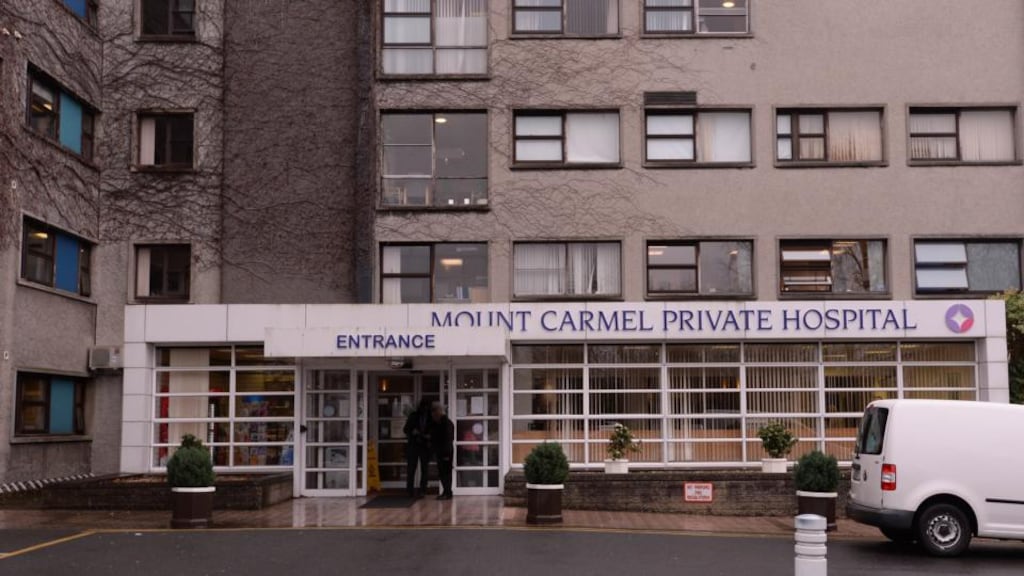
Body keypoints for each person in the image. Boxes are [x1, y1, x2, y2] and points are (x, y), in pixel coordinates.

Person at [402, 398, 432, 498]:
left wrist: (429, 436)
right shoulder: (414, 416)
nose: (425, 410)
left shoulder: (430, 418)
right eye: (423, 407)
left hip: (425, 446)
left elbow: (434, 431)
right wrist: (412, 432)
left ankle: (422, 490)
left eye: (426, 408)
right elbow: (405, 429)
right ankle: (410, 490)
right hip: (414, 445)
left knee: (425, 469)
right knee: (411, 469)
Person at [429, 401, 455, 500]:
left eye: (434, 411)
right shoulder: (439, 423)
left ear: (439, 411)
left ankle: (447, 492)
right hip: (443, 451)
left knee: (445, 472)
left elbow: (447, 438)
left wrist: (445, 453)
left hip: (445, 451)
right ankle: (446, 491)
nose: (433, 414)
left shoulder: (446, 423)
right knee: (443, 472)